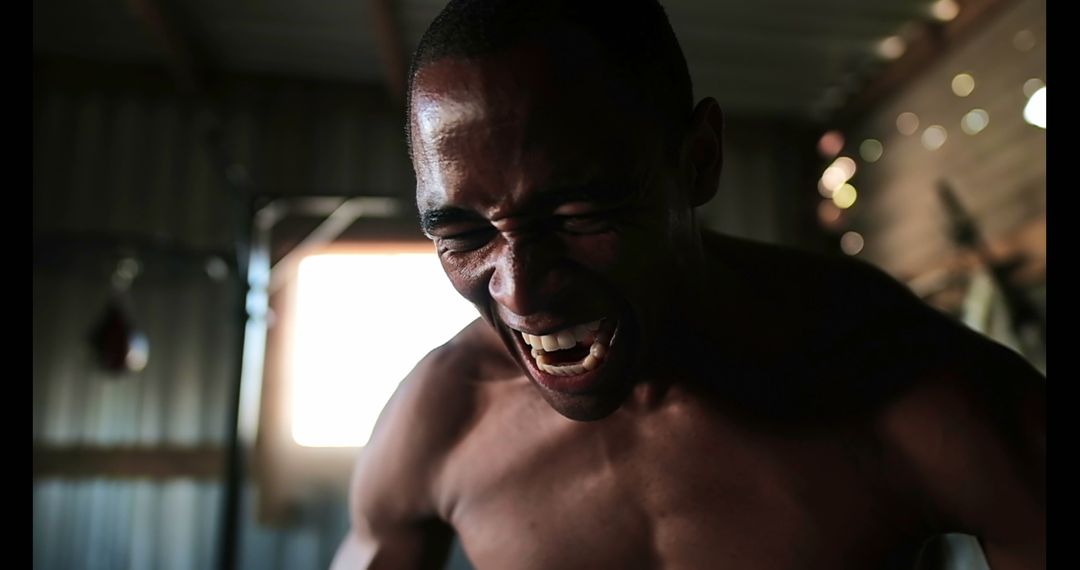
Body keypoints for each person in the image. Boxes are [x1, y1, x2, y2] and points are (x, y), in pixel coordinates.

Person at [332, 1, 1046, 568]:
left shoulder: (908, 384)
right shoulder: (443, 420)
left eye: (578, 213)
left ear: (699, 161)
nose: (520, 294)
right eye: (463, 236)